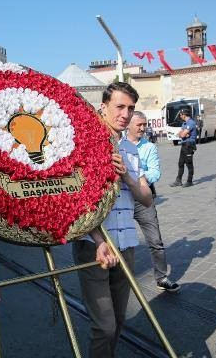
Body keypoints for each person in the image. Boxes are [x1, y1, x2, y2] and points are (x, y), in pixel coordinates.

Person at [73, 82, 152, 358]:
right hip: (94, 247)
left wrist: (127, 176)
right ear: (103, 107)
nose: (125, 114)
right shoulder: (83, 146)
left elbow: (147, 198)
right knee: (104, 326)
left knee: (118, 322)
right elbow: (78, 202)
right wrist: (97, 239)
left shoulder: (131, 150)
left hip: (126, 245)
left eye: (130, 108)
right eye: (119, 107)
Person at [126, 112, 179, 292]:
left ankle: (162, 276)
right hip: (122, 199)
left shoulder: (149, 147)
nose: (142, 128)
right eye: (139, 125)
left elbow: (155, 173)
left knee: (155, 240)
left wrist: (134, 177)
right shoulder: (118, 145)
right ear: (129, 125)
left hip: (143, 198)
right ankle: (122, 277)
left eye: (144, 124)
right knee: (121, 240)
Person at [169, 108, 197, 187]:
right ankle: (178, 180)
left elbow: (182, 135)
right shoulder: (184, 124)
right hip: (184, 144)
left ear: (184, 115)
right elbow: (180, 134)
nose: (180, 116)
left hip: (189, 144)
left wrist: (183, 134)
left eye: (181, 115)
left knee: (189, 163)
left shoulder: (191, 123)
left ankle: (189, 181)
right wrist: (183, 134)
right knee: (180, 163)